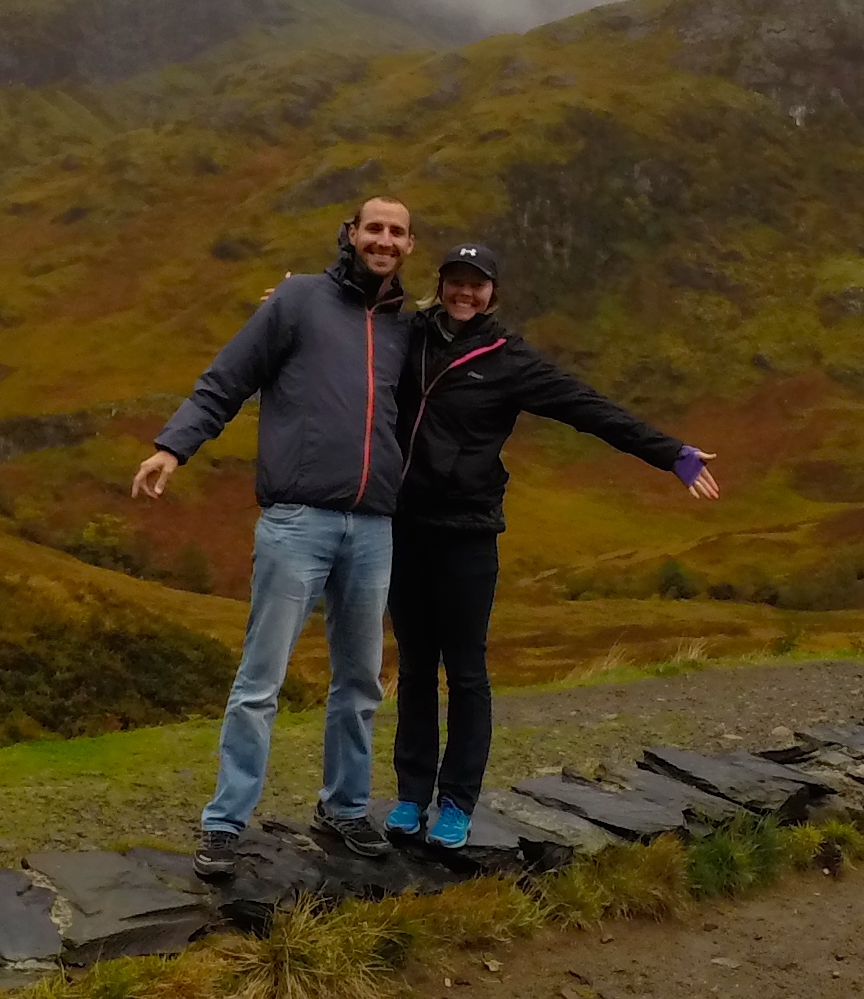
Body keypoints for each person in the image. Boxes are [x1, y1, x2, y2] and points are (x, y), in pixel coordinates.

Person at [385, 237, 721, 850]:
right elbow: (348, 339)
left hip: (467, 534)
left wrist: (670, 453)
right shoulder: (411, 335)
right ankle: (410, 796)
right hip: (403, 529)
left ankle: (457, 803)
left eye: (477, 283)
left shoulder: (509, 358)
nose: (465, 292)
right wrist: (296, 305)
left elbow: (587, 408)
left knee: (464, 673)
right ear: (441, 283)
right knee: (412, 668)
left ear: (493, 293)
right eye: (456, 280)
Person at [131, 196, 415, 877]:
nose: (383, 239)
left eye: (396, 232)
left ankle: (344, 810)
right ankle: (224, 823)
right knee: (260, 681)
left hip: (374, 525)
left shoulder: (410, 328)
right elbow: (223, 382)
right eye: (372, 228)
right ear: (350, 234)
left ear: (407, 246)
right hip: (296, 521)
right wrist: (172, 447)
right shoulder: (295, 303)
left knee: (360, 682)